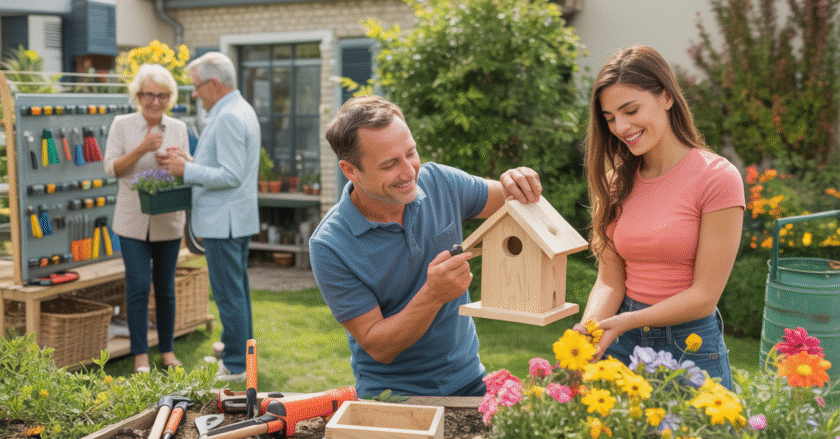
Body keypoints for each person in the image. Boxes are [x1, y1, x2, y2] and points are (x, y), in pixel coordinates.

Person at [310, 95, 542, 398]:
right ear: (350, 170)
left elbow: (513, 199)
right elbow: (378, 345)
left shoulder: (439, 183)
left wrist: (517, 180)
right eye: (390, 164)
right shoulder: (331, 244)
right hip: (393, 396)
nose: (409, 172)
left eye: (411, 153)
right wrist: (433, 295)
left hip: (471, 380)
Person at [574, 45, 745, 389]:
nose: (620, 126)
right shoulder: (616, 181)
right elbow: (610, 279)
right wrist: (589, 333)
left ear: (666, 97)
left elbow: (704, 296)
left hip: (690, 347)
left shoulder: (716, 177)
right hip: (621, 343)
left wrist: (626, 320)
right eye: (609, 118)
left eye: (631, 110)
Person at [161, 52, 260, 382]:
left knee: (229, 294)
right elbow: (226, 165)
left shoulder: (229, 116)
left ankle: (235, 366)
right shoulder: (237, 109)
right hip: (236, 218)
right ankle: (238, 349)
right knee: (237, 291)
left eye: (196, 86)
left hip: (225, 222)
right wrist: (190, 160)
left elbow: (230, 174)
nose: (193, 94)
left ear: (214, 84)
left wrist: (186, 169)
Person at [104, 63, 190, 374]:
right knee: (138, 286)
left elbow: (189, 169)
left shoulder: (179, 128)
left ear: (170, 97)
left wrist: (179, 160)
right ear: (138, 95)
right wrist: (143, 148)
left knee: (165, 289)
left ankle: (167, 351)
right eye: (149, 95)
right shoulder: (122, 125)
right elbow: (112, 168)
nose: (155, 102)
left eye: (163, 96)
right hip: (131, 222)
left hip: (168, 221)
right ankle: (141, 355)